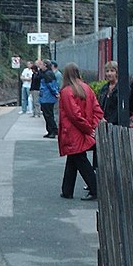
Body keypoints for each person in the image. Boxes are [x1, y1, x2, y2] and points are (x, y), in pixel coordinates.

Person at [57, 63, 102, 201]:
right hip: (83, 130)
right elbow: (97, 110)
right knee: (74, 158)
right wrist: (92, 127)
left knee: (79, 159)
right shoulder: (87, 88)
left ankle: (95, 189)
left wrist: (88, 129)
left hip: (72, 132)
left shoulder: (66, 92)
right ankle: (67, 190)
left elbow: (74, 115)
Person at [92, 60, 120, 172]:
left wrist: (109, 121)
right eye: (107, 71)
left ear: (117, 72)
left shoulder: (121, 88)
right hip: (102, 123)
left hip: (114, 124)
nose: (109, 74)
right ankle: (96, 176)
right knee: (98, 150)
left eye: (112, 71)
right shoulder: (104, 88)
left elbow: (120, 108)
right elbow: (98, 105)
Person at [38, 59, 59, 138]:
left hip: (47, 97)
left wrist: (55, 92)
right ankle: (50, 130)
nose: (41, 66)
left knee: (48, 115)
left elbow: (51, 85)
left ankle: (53, 131)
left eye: (42, 65)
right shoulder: (49, 73)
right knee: (48, 115)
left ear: (45, 65)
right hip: (47, 97)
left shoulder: (48, 74)